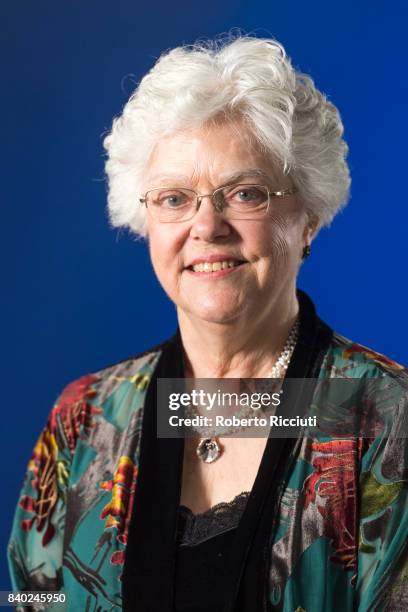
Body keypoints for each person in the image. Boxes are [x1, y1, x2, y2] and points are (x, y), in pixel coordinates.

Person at [8, 35, 408, 611]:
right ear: (142, 219)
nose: (206, 226)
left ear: (308, 218)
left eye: (244, 193)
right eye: (174, 198)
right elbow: (30, 601)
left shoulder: (385, 421)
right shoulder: (84, 418)